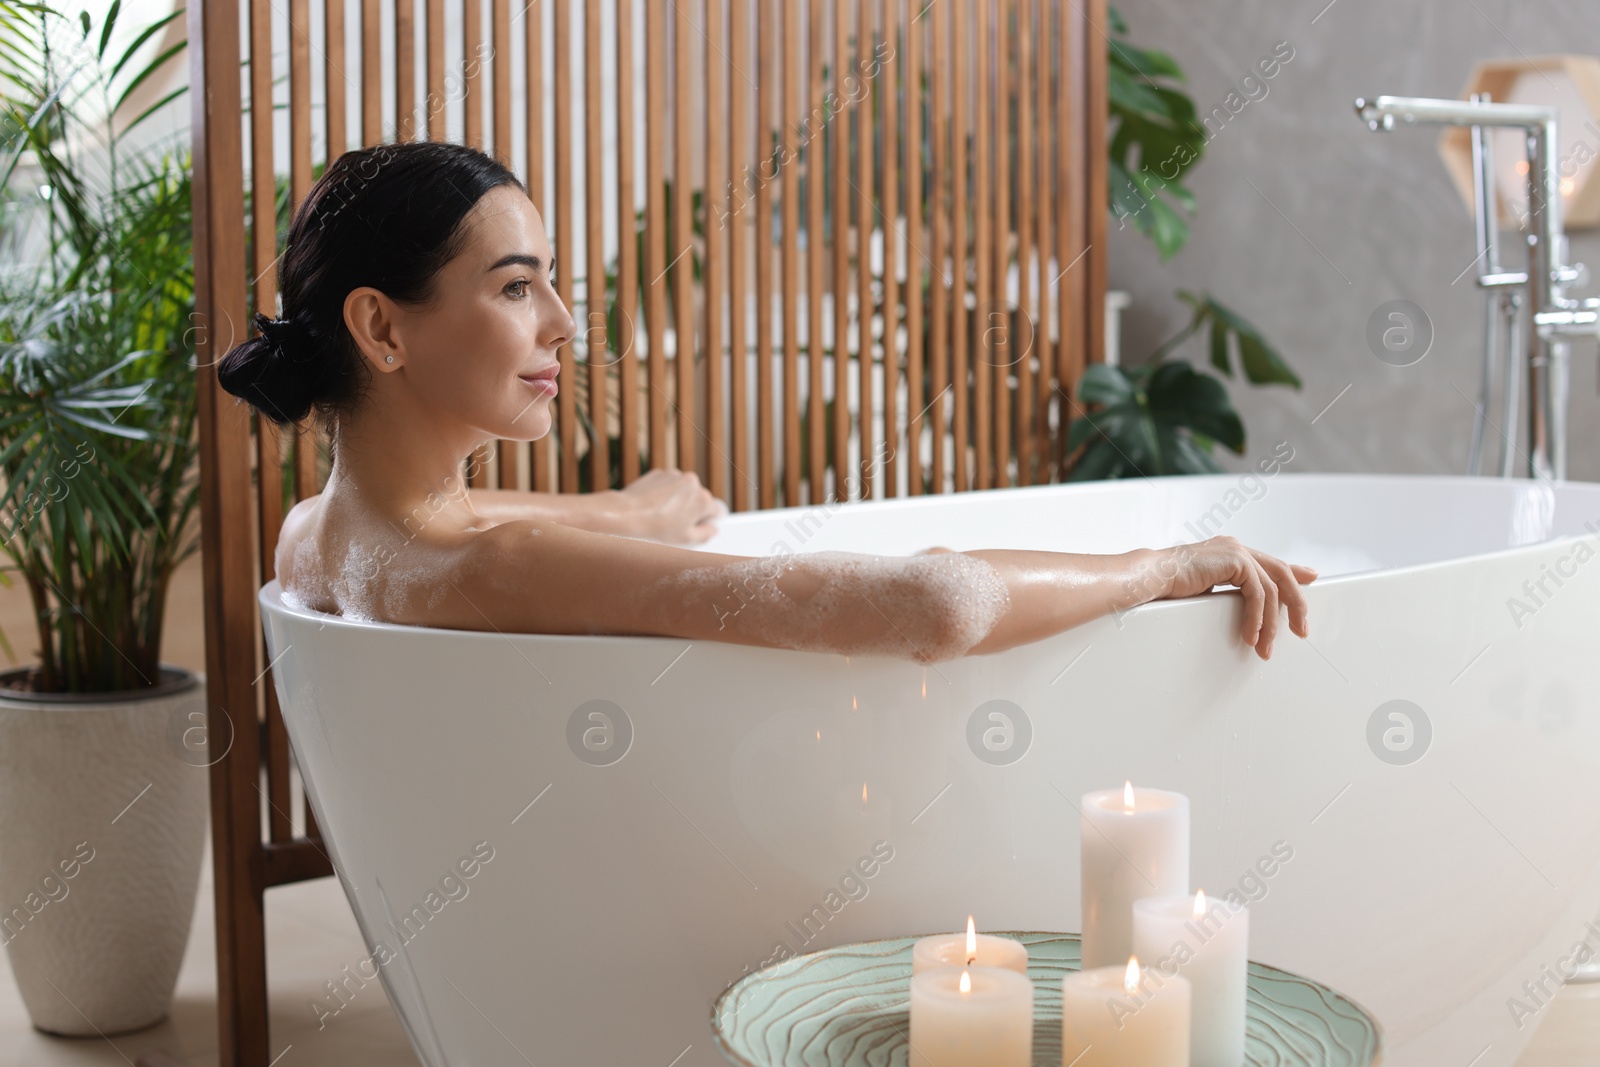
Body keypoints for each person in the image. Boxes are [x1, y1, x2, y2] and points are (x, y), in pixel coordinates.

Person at [218, 141, 1314, 665]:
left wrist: (634, 513)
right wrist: (1175, 566)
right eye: (515, 285)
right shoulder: (499, 570)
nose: (563, 321)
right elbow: (937, 608)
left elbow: (482, 520)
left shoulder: (316, 540)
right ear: (381, 326)